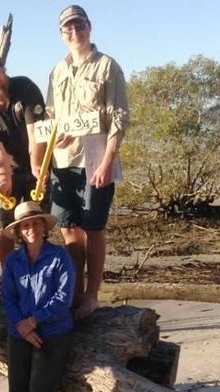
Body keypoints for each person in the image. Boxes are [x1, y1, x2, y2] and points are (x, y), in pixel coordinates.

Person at [46, 4, 129, 319]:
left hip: (95, 160)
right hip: (63, 163)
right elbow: (54, 120)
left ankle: (92, 295)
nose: (74, 31)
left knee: (94, 229)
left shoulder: (107, 66)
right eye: (68, 27)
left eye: (79, 24)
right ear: (62, 33)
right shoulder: (57, 71)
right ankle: (74, 293)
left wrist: (108, 161)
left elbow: (119, 118)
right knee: (68, 229)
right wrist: (57, 138)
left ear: (89, 26)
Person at [0, 202, 75, 392]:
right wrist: (22, 326)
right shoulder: (13, 261)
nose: (31, 228)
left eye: (35, 223)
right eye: (25, 225)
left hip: (52, 332)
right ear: (19, 231)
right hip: (18, 332)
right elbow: (7, 296)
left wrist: (33, 322)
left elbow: (62, 299)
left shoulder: (60, 257)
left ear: (44, 227)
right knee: (17, 390)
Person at [0, 48, 48, 290]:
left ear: (4, 69)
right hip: (12, 171)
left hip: (40, 165)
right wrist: (3, 179)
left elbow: (36, 135)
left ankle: (43, 272)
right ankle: (9, 275)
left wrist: (38, 168)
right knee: (1, 221)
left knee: (39, 222)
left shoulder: (25, 88)